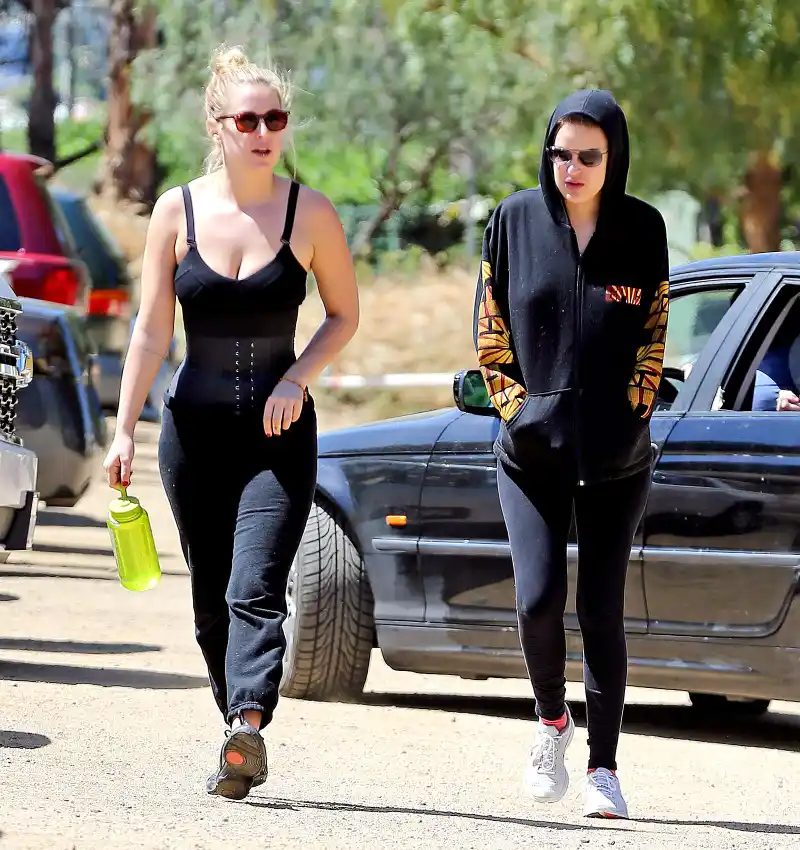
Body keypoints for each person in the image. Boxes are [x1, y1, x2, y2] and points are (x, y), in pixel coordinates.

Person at [102, 44, 359, 800]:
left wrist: (297, 376)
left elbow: (344, 316)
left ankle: (249, 720)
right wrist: (123, 431)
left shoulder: (309, 212)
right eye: (247, 119)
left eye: (274, 118)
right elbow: (151, 332)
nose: (263, 130)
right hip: (194, 436)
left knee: (256, 587)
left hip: (278, 439)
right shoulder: (174, 211)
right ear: (217, 126)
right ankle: (236, 732)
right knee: (211, 597)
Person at [473, 89, 669, 819]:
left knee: (602, 610)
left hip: (618, 460)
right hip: (531, 455)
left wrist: (631, 416)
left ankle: (604, 769)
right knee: (537, 601)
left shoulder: (643, 229)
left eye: (589, 156)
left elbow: (654, 332)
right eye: (560, 154)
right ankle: (552, 719)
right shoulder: (512, 221)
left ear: (613, 157)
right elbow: (490, 325)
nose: (572, 168)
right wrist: (519, 413)